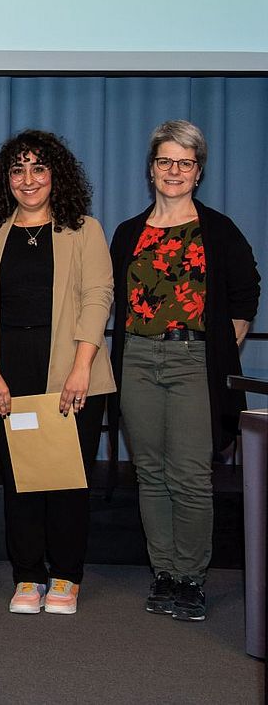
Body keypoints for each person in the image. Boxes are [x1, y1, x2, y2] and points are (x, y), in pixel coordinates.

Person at [109, 120, 260, 622]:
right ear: (151, 169)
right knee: (150, 473)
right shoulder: (128, 232)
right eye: (165, 161)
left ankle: (193, 578)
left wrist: (223, 344)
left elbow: (245, 291)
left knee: (191, 476)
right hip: (137, 361)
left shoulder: (217, 229)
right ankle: (165, 572)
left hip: (194, 361)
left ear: (198, 172)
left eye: (185, 163)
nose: (174, 171)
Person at [0, 129, 115, 616]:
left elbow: (98, 298)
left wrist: (81, 370)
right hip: (8, 371)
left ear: (57, 175)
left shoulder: (84, 229)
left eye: (38, 168)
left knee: (68, 479)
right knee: (20, 478)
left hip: (73, 367)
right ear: (5, 179)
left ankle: (67, 576)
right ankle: (28, 575)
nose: (28, 180)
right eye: (17, 169)